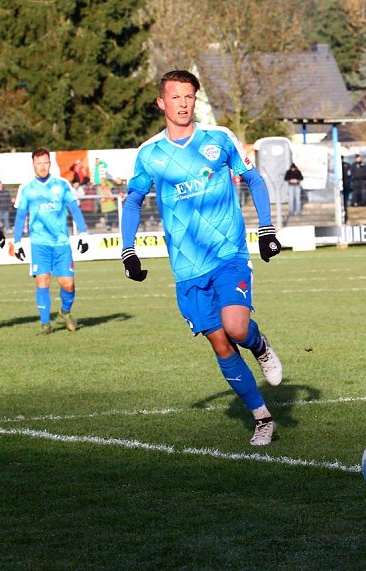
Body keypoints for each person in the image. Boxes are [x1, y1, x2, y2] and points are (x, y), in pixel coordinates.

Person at [120, 70, 284, 446]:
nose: (182, 104)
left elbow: (255, 181)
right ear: (161, 102)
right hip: (187, 268)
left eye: (189, 97)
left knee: (238, 328)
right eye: (175, 97)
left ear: (196, 99)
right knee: (221, 343)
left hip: (228, 254)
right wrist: (128, 251)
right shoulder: (150, 154)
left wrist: (267, 229)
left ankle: (260, 346)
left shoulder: (219, 138)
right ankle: (263, 419)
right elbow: (133, 200)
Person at [12, 148, 90, 335]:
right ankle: (46, 324)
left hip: (61, 243)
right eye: (39, 163)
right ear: (33, 165)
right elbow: (20, 216)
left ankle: (65, 312)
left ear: (50, 163)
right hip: (39, 243)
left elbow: (75, 209)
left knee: (68, 284)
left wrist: (84, 234)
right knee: (42, 281)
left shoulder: (62, 185)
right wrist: (17, 242)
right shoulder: (26, 188)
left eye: (45, 162)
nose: (42, 166)